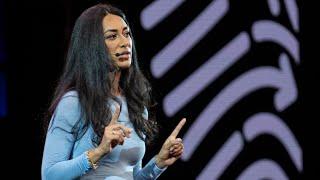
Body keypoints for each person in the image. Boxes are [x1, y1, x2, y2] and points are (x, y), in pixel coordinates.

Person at [41, 3, 186, 180]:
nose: (125, 43)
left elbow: (131, 177)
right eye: (112, 36)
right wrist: (99, 152)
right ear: (92, 46)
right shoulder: (74, 102)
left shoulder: (136, 105)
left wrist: (158, 164)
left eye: (126, 34)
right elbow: (49, 175)